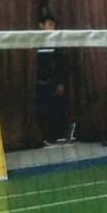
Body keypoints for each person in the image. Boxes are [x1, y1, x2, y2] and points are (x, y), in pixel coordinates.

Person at [35, 15, 72, 145]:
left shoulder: (57, 43)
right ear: (41, 26)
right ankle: (45, 137)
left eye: (54, 25)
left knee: (56, 110)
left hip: (53, 83)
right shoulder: (34, 42)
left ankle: (57, 136)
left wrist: (61, 83)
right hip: (39, 85)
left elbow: (61, 65)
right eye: (50, 24)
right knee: (42, 111)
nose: (52, 28)